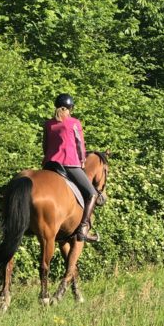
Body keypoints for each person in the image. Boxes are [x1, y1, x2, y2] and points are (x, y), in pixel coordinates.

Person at [42, 93, 99, 242]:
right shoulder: (74, 123)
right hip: (69, 164)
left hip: (50, 164)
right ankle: (83, 229)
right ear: (70, 108)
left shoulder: (48, 124)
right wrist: (82, 160)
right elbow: (80, 144)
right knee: (92, 194)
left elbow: (45, 146)